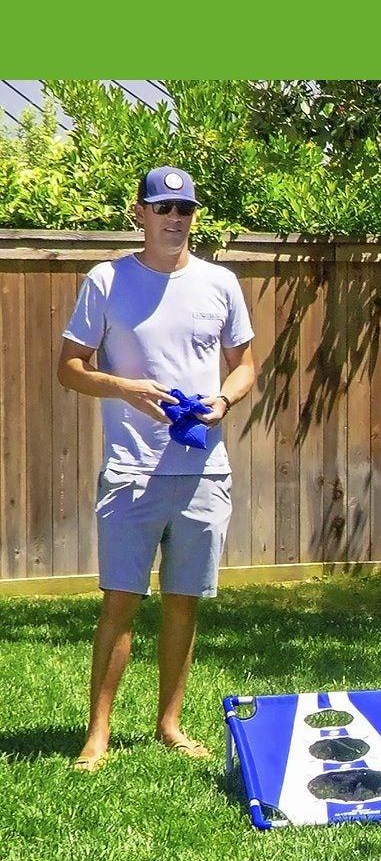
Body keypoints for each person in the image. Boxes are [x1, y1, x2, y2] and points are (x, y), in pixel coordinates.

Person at [57, 165, 257, 771]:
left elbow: (245, 364)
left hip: (202, 471)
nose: (175, 219)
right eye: (163, 209)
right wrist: (123, 388)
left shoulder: (220, 283)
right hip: (131, 469)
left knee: (183, 600)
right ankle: (99, 733)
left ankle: (169, 722)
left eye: (185, 210)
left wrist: (223, 400)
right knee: (120, 599)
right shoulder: (106, 279)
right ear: (139, 214)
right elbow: (69, 367)